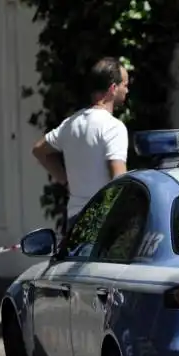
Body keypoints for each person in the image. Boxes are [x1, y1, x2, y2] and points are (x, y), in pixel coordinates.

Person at [31, 56, 130, 232]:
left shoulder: (71, 124)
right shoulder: (114, 128)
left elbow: (39, 150)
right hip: (103, 222)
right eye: (125, 84)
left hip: (75, 220)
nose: (127, 89)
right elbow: (118, 181)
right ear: (113, 89)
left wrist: (65, 180)